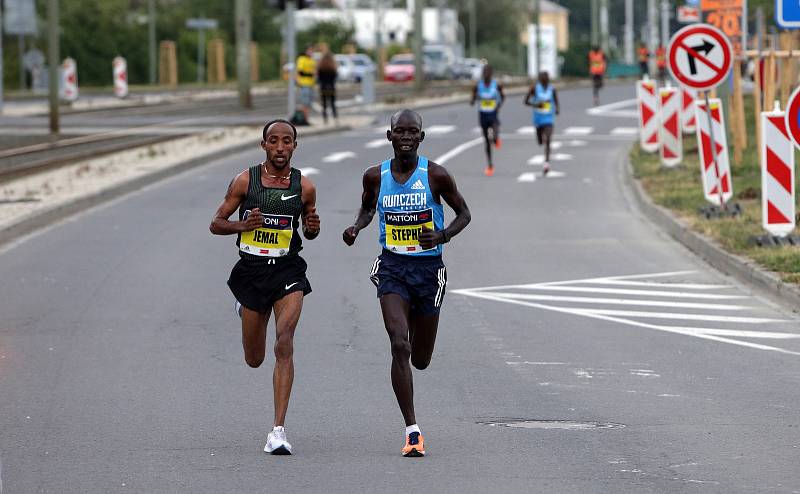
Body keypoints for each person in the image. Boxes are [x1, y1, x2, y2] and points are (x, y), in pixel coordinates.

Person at [341, 109, 471, 458]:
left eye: (413, 132)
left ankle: (417, 352)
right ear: (390, 136)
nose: (406, 138)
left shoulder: (436, 175)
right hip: (393, 267)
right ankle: (412, 430)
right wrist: (356, 227)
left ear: (421, 138)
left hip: (429, 271)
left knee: (421, 359)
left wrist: (442, 235)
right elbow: (367, 209)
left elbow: (465, 214)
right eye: (400, 132)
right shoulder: (375, 176)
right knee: (400, 343)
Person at [209, 119, 321, 455]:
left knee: (284, 341)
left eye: (287, 142)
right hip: (252, 272)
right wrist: (244, 224)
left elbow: (310, 228)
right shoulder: (246, 181)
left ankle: (278, 431)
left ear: (295, 147)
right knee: (254, 359)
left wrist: (313, 227)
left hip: (288, 270)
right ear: (264, 146)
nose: (281, 147)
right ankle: (244, 307)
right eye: (274, 141)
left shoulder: (306, 187)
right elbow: (216, 223)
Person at [470, 64, 505, 177]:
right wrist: (474, 98)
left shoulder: (496, 85)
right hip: (483, 116)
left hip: (493, 115)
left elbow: (503, 96)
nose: (485, 74)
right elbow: (472, 99)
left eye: (487, 72)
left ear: (491, 74)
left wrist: (498, 105)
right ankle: (490, 165)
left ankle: (496, 139)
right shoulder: (478, 86)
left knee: (494, 137)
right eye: (484, 72)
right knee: (486, 141)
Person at [524, 71, 559, 176]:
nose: (544, 81)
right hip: (538, 119)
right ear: (539, 80)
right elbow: (525, 101)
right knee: (540, 141)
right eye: (542, 79)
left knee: (548, 139)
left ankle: (546, 163)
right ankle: (540, 139)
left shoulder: (552, 89)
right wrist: (535, 104)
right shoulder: (534, 89)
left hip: (548, 119)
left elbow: (556, 101)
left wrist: (557, 109)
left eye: (546, 79)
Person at [295, 46, 316, 125]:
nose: (311, 52)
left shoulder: (312, 60)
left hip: (310, 84)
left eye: (312, 51)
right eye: (309, 51)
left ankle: (306, 119)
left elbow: (314, 71)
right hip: (304, 84)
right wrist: (311, 74)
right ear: (306, 51)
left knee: (308, 103)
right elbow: (300, 72)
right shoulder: (302, 59)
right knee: (305, 103)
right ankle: (304, 119)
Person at [317, 52, 338, 124]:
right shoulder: (333, 68)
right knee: (332, 104)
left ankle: (325, 119)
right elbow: (335, 78)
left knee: (324, 104)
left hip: (323, 88)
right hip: (331, 87)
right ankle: (335, 118)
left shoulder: (321, 67)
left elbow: (319, 79)